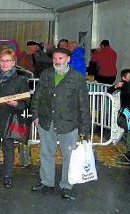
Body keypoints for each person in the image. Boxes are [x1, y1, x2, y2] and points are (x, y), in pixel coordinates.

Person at [30, 48, 91, 200]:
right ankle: (46, 182)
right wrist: (35, 115)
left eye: (61, 58)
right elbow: (37, 96)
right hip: (47, 120)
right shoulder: (46, 75)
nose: (57, 61)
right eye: (55, 58)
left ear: (68, 59)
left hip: (68, 123)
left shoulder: (77, 78)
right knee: (46, 153)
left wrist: (84, 128)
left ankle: (67, 185)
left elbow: (83, 103)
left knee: (68, 156)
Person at [0, 48, 31, 188]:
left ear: (13, 62)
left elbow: (26, 102)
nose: (4, 63)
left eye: (8, 61)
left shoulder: (21, 79)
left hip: (10, 118)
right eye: (2, 61)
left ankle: (8, 175)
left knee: (9, 147)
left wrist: (16, 104)